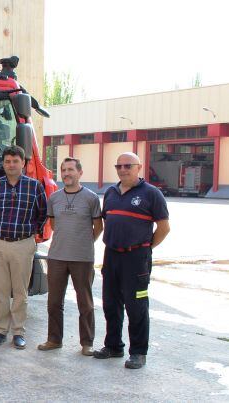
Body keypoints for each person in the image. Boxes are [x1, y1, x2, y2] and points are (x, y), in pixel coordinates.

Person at [94, 152, 170, 369]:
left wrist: (145, 248)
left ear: (139, 167)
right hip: (112, 255)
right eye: (119, 166)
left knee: (136, 306)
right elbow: (108, 221)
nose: (123, 169)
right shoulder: (111, 192)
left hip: (136, 258)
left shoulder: (151, 194)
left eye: (128, 165)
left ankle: (138, 352)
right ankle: (113, 346)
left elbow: (164, 228)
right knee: (111, 303)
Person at [38, 157, 103, 356]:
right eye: (64, 170)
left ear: (80, 173)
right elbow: (54, 224)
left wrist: (83, 242)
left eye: (71, 169)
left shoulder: (91, 198)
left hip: (82, 258)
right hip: (57, 256)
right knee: (54, 302)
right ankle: (54, 340)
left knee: (85, 303)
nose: (66, 173)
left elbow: (98, 227)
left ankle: (87, 343)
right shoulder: (54, 198)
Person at [0, 145, 47, 349]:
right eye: (7, 161)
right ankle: (0, 330)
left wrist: (29, 233)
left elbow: (42, 213)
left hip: (23, 245)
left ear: (23, 163)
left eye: (15, 161)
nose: (11, 165)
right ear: (3, 164)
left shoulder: (34, 186)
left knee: (20, 292)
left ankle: (18, 332)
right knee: (0, 291)